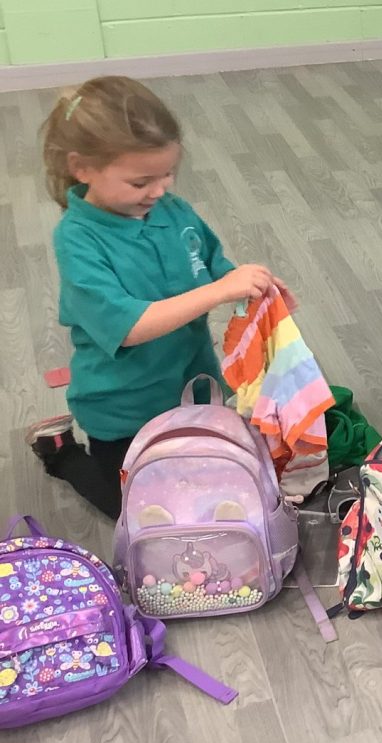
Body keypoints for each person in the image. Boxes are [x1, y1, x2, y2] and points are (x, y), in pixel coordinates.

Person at [28, 77, 283, 518]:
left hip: (192, 389)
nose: (160, 189)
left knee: (208, 493)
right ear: (82, 168)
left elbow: (213, 264)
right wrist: (218, 291)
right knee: (137, 510)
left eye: (167, 174)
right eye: (141, 181)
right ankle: (62, 455)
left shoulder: (172, 210)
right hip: (124, 411)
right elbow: (129, 327)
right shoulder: (78, 239)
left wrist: (256, 291)